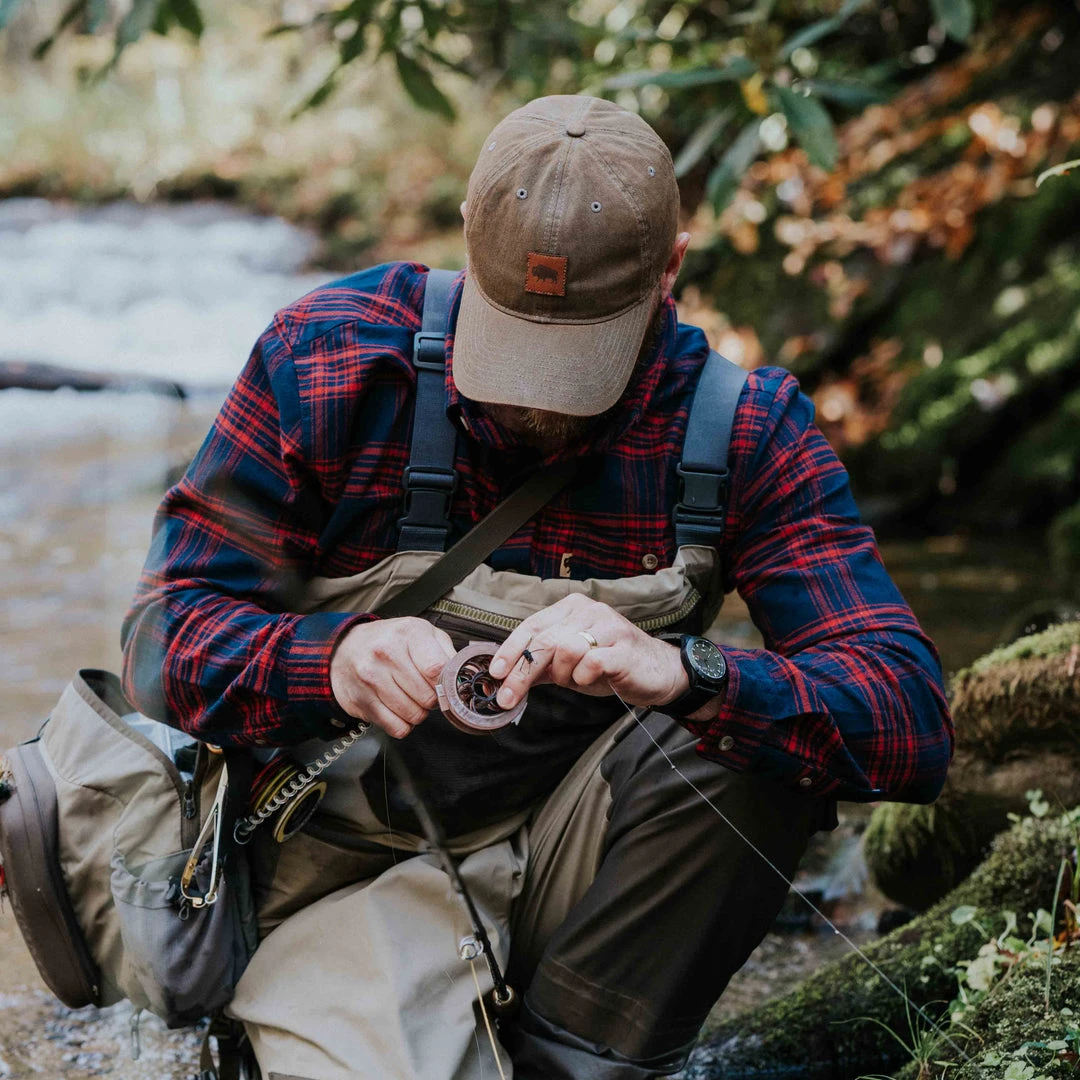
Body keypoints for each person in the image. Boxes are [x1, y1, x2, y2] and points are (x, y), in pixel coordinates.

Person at [121, 94, 953, 1080]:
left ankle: (579, 1060)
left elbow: (908, 720)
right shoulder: (331, 359)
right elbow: (157, 641)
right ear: (469, 248)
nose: (532, 397)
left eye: (577, 356)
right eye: (514, 343)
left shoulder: (743, 430)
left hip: (583, 872)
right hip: (346, 870)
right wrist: (330, 660)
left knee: (756, 732)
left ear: (671, 270)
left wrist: (685, 672)